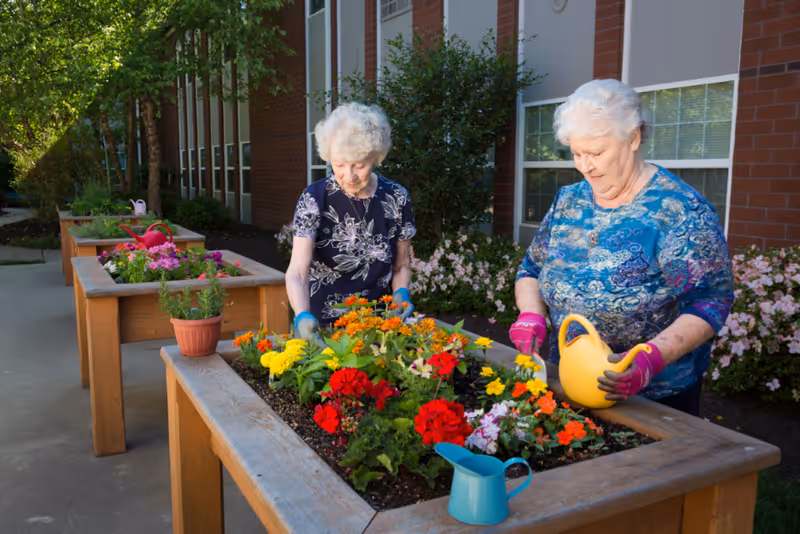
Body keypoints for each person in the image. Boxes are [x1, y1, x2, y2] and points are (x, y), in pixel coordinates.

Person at [509, 79, 734, 416]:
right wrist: (530, 315)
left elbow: (710, 301)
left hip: (652, 397)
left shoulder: (679, 209)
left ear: (634, 137)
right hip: (569, 380)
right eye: (576, 153)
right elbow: (531, 269)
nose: (585, 165)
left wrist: (651, 358)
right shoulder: (568, 200)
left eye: (596, 153)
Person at [286, 102, 417, 345]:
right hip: (320, 324)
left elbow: (402, 265)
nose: (349, 175)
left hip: (378, 323)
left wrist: (401, 293)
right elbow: (297, 272)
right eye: (339, 164)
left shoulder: (397, 197)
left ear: (376, 157)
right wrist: (302, 315)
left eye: (359, 165)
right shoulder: (315, 197)